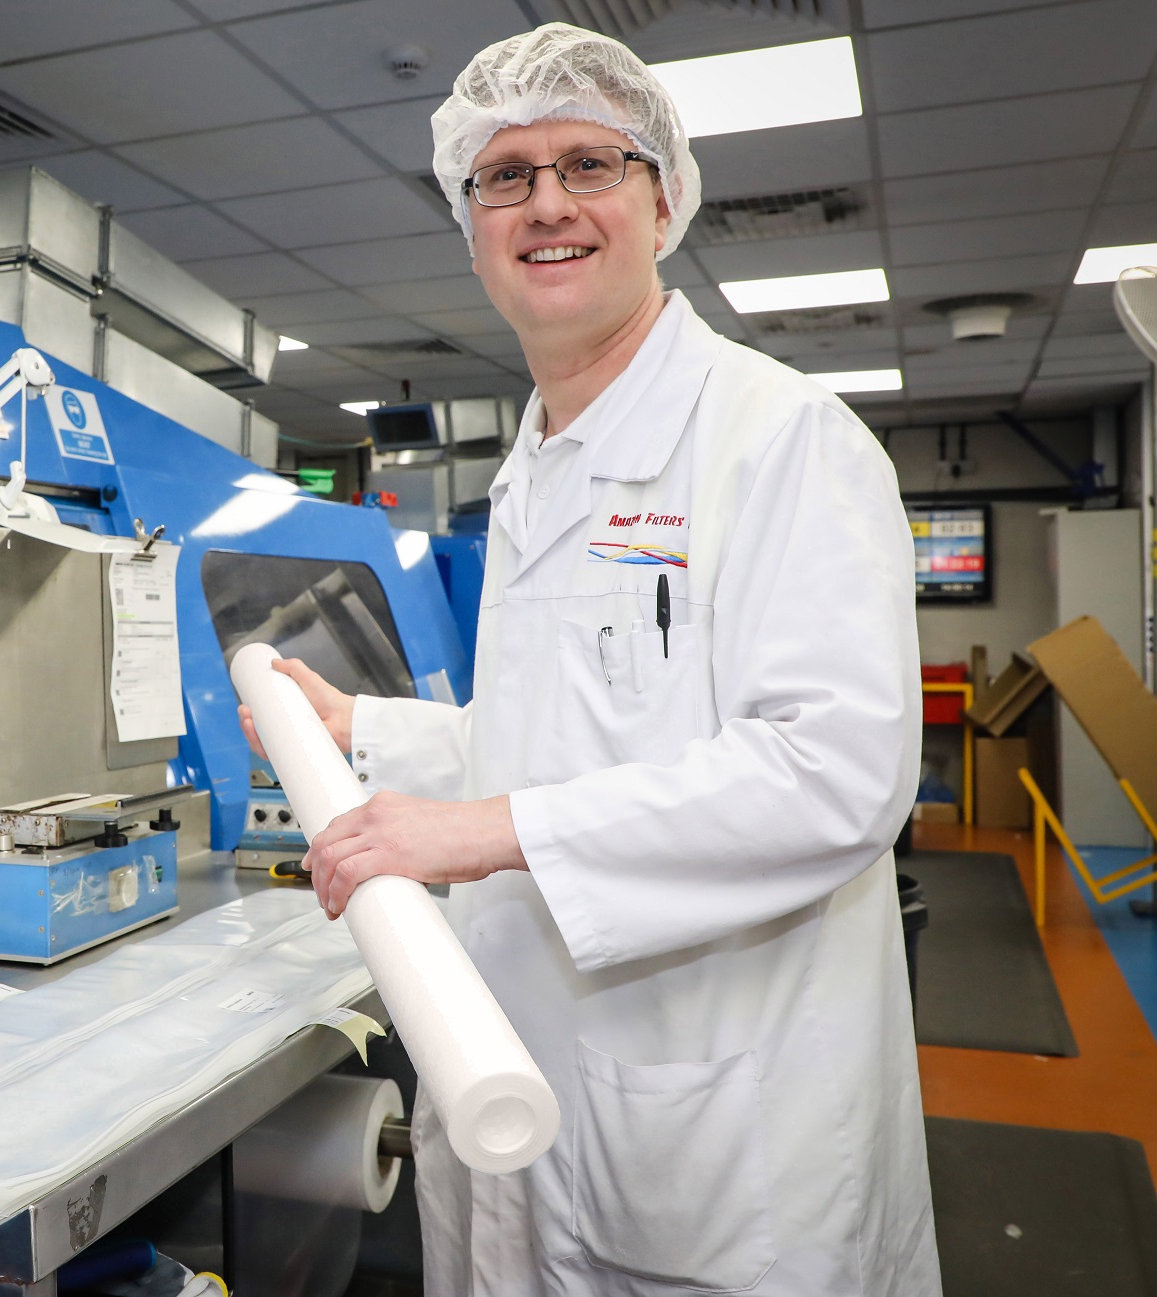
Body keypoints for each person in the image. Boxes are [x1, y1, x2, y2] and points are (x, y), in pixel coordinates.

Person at [239, 23, 937, 1297]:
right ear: (468, 223)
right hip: (522, 1076)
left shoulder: (779, 439)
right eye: (503, 176)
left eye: (588, 164)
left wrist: (481, 833)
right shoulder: (537, 465)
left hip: (719, 1130)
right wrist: (368, 735)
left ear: (661, 200)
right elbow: (577, 730)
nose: (545, 203)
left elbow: (832, 771)